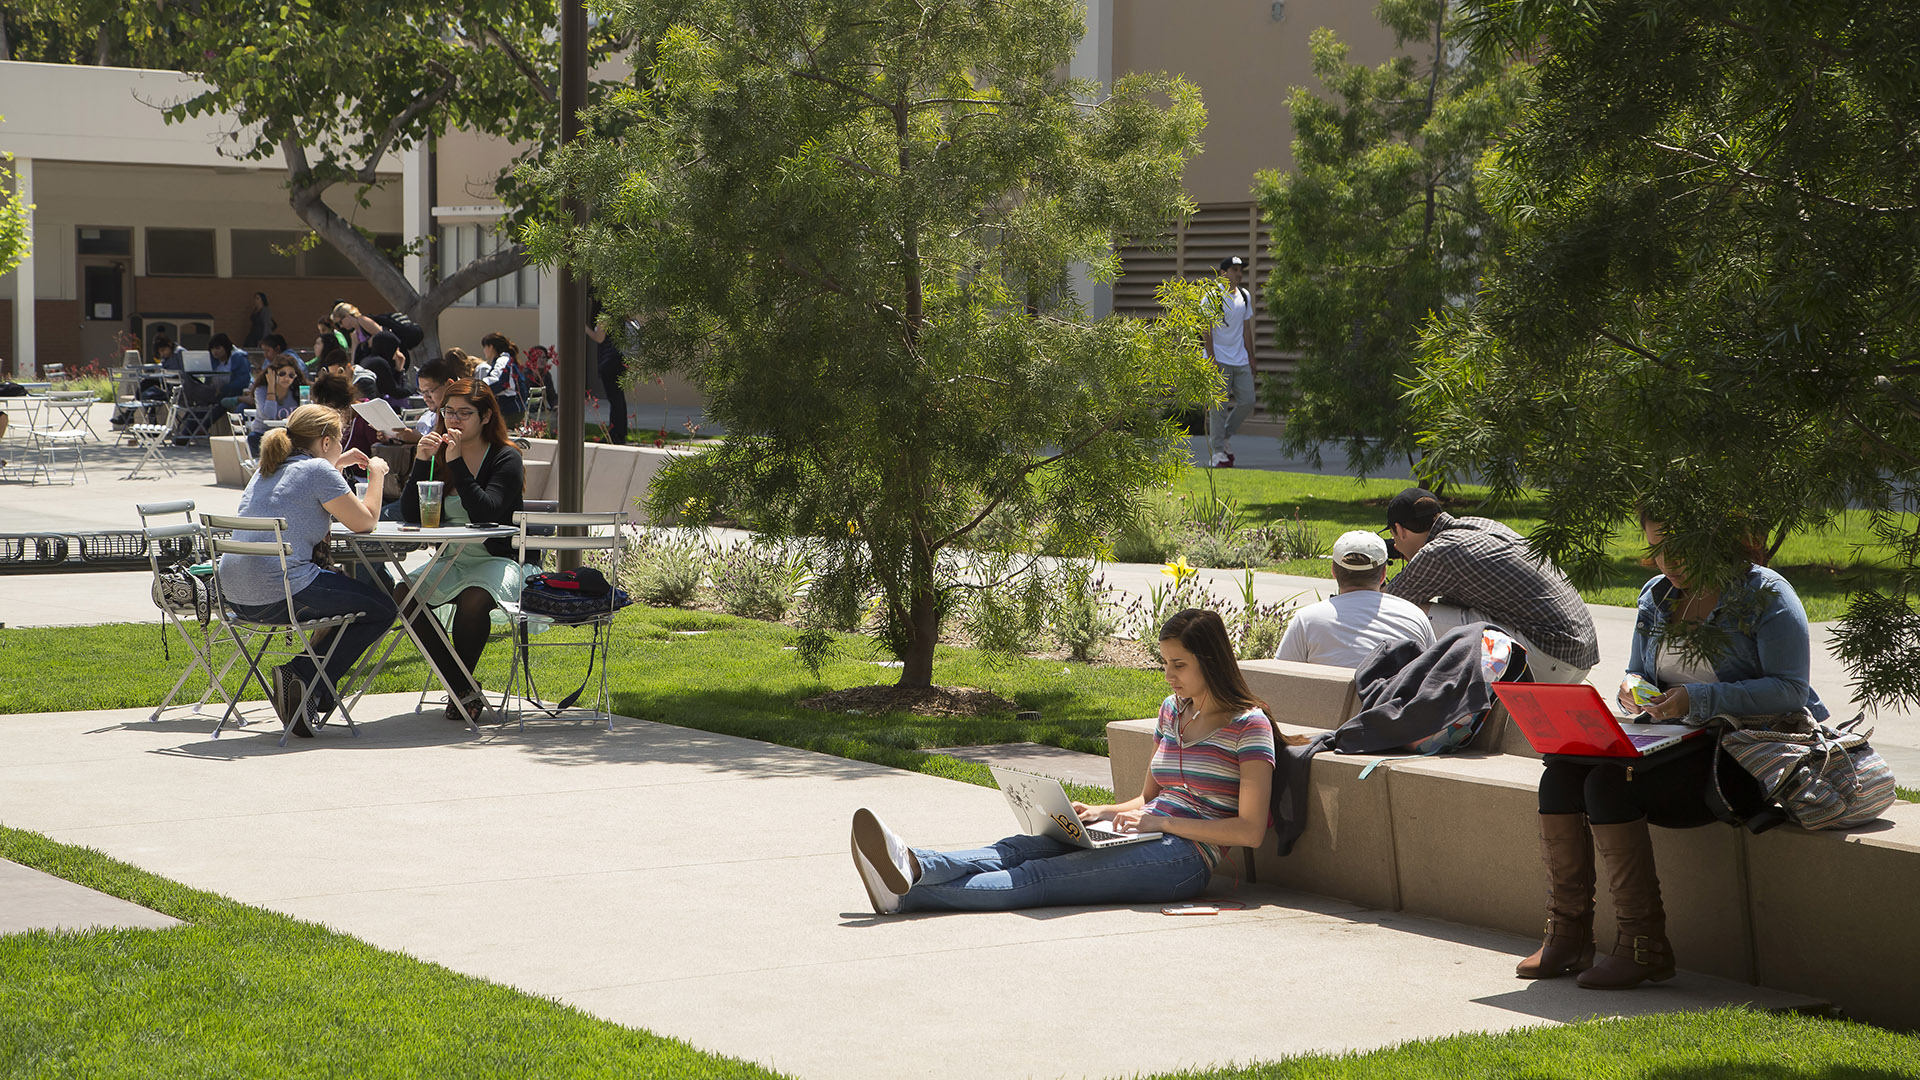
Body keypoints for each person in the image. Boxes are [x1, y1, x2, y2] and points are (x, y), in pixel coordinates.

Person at [1518, 512, 1826, 990]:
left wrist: (1695, 700)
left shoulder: (1765, 593)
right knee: (1559, 775)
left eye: (1679, 547)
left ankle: (1644, 946)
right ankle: (1567, 934)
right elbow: (1639, 671)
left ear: (1716, 537)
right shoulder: (1657, 594)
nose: (1668, 561)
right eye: (1657, 548)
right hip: (1671, 741)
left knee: (1607, 784)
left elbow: (1790, 690)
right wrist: (1631, 686)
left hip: (1741, 752)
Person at [849, 608, 1300, 914]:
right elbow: (1147, 798)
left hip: (1184, 859)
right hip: (1143, 831)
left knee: (1040, 876)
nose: (1168, 675)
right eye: (1164, 663)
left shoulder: (1249, 726)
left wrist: (1162, 823)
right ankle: (914, 863)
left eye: (1178, 665)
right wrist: (1101, 812)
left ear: (1211, 661)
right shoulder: (1172, 711)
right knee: (1018, 849)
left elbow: (1249, 831)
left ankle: (905, 897)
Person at [217, 404, 397, 737]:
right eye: (339, 441)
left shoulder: (267, 469)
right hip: (282, 591)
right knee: (383, 609)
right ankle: (302, 675)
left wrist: (336, 464)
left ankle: (311, 693)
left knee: (347, 601)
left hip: (236, 595)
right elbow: (365, 522)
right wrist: (377, 473)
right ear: (326, 442)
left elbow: (301, 490)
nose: (341, 447)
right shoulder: (317, 470)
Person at [400, 379, 526, 724]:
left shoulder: (506, 457)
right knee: (404, 595)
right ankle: (464, 687)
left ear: (485, 416)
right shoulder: (438, 455)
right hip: (451, 560)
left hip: (498, 559)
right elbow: (411, 514)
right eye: (448, 411)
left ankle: (461, 690)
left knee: (474, 598)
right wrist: (420, 462)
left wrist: (456, 463)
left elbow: (487, 511)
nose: (454, 420)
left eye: (464, 413)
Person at [1383, 487, 1600, 684]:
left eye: (1394, 536)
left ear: (1400, 530)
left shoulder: (1439, 551)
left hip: (1548, 659)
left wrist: (1376, 568)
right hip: (1578, 657)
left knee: (1411, 613)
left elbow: (1388, 602)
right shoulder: (1479, 525)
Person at [1275, 531, 1435, 667]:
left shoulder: (1307, 620)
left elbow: (1281, 674)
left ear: (1333, 571)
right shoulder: (1416, 617)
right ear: (1383, 574)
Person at [1203, 256, 1256, 468]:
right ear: (1223, 273)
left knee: (1248, 400)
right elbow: (1205, 329)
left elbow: (1246, 329)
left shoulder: (1244, 296)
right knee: (1219, 407)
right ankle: (1217, 452)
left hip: (1240, 358)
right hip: (1219, 358)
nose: (1239, 274)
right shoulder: (1211, 296)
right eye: (1235, 270)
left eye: (1241, 270)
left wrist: (1251, 357)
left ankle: (1224, 435)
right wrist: (1211, 359)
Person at [247, 355, 304, 459]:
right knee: (253, 438)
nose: (286, 378)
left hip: (288, 435)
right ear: (273, 374)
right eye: (282, 374)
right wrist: (271, 386)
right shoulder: (261, 390)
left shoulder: (297, 392)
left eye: (291, 375)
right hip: (263, 433)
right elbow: (268, 415)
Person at [590, 301, 630, 444]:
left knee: (614, 399)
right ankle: (621, 432)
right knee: (619, 398)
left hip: (608, 361)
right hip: (619, 359)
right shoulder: (619, 314)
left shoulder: (605, 314)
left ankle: (615, 433)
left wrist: (584, 328)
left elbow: (599, 338)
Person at [475, 332, 526, 429]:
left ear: (490, 347)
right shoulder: (507, 359)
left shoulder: (502, 360)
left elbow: (496, 380)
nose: (484, 351)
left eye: (484, 347)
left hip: (509, 411)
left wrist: (477, 388)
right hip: (513, 409)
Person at [209, 333, 252, 414]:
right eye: (212, 349)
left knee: (214, 408)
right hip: (216, 394)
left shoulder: (239, 358)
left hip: (235, 393)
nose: (215, 352)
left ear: (226, 347)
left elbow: (242, 381)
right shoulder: (213, 360)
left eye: (218, 348)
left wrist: (223, 389)